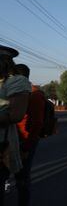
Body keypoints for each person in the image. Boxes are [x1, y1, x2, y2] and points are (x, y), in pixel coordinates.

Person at [0, 46, 31, 206]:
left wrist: (26, 144)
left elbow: (15, 116)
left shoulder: (16, 82)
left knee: (22, 179)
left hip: (2, 146)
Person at [14, 64, 45, 206]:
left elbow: (37, 123)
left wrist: (26, 147)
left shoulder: (34, 94)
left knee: (22, 178)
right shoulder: (17, 92)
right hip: (14, 140)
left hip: (25, 141)